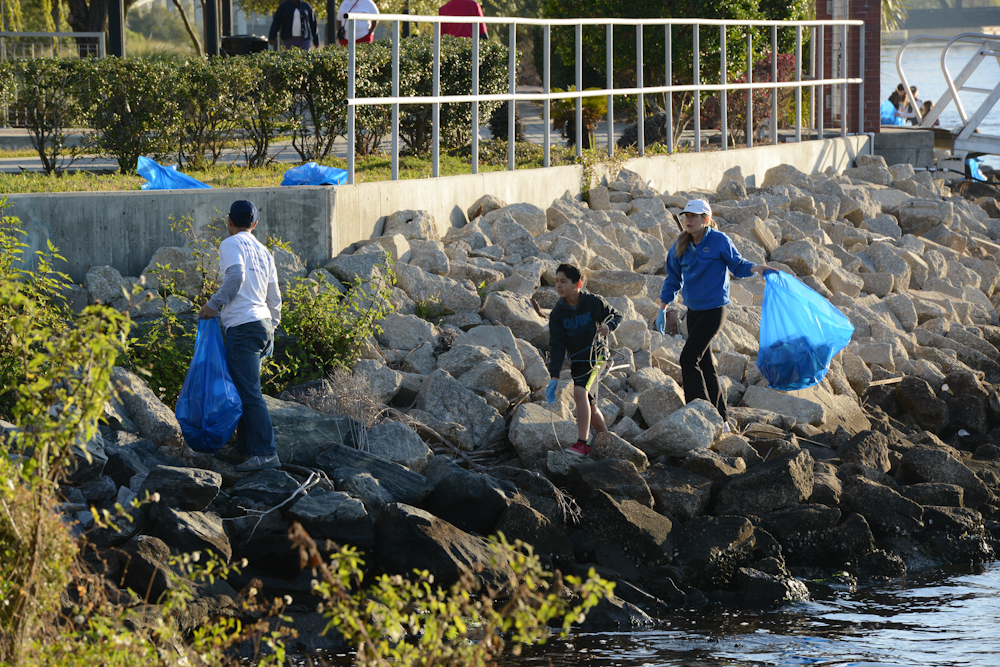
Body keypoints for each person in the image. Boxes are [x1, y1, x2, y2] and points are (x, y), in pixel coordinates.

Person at [654, 199, 778, 431]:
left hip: (714, 311)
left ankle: (699, 412)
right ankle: (722, 419)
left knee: (688, 359)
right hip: (693, 312)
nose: (688, 220)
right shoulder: (679, 246)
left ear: (706, 219)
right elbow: (673, 279)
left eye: (694, 216)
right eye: (686, 216)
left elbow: (738, 265)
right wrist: (661, 309)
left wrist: (758, 268)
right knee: (705, 364)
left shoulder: (720, 241)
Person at [200, 200, 282, 472]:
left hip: (243, 327)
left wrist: (213, 305)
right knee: (243, 389)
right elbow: (274, 296)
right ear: (254, 224)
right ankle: (245, 449)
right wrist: (272, 326)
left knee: (249, 393)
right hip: (262, 325)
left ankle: (266, 452)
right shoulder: (264, 251)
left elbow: (235, 276)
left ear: (229, 221)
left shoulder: (230, 244)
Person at [545, 263, 622, 457]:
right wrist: (554, 376)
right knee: (591, 404)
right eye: (557, 281)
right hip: (578, 361)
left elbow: (616, 315)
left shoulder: (593, 302)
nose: (558, 286)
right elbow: (556, 346)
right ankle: (607, 441)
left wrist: (608, 327)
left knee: (579, 392)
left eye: (564, 281)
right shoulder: (557, 314)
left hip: (597, 357)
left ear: (578, 283)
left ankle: (583, 443)